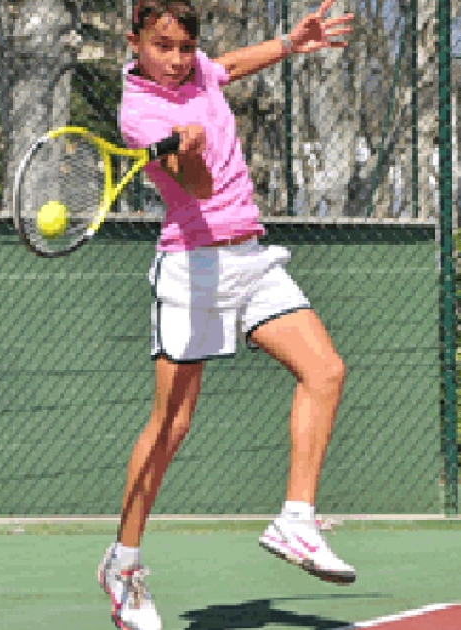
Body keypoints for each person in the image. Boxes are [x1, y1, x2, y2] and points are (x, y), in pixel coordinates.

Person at [98, 1, 355, 628]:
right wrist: (189, 150)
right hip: (192, 270)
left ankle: (296, 520)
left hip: (251, 256)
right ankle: (123, 563)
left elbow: (230, 66)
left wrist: (292, 44)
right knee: (171, 427)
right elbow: (202, 190)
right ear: (135, 43)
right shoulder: (142, 115)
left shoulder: (197, 73)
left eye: (185, 47)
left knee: (324, 372)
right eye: (164, 47)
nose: (178, 60)